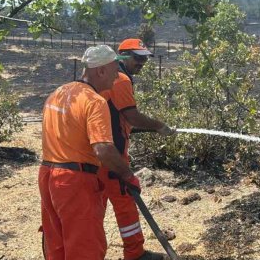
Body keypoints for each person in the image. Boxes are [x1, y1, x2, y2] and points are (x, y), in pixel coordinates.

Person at [38, 45, 142, 260]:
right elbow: (103, 149)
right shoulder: (94, 102)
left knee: (56, 243)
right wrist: (127, 175)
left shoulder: (58, 93)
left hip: (48, 175)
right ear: (101, 71)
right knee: (85, 248)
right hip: (75, 180)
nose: (116, 79)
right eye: (114, 73)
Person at [98, 38, 175, 260]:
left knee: (96, 205)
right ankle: (135, 254)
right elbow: (131, 115)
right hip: (112, 154)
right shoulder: (120, 80)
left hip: (96, 152)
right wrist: (159, 126)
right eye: (137, 57)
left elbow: (115, 115)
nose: (142, 62)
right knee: (125, 204)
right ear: (121, 56)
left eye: (144, 58)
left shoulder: (107, 79)